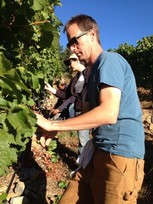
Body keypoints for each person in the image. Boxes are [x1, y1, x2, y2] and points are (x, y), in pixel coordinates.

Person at [35, 14, 145, 204]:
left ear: (92, 34)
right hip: (97, 152)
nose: (72, 48)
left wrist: (53, 125)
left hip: (119, 159)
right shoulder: (91, 73)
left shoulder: (109, 60)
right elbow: (86, 114)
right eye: (69, 44)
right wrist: (56, 129)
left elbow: (109, 113)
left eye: (75, 41)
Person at [45, 53, 90, 153]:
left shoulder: (90, 72)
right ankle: (82, 163)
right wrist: (51, 89)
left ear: (76, 60)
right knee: (82, 138)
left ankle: (86, 165)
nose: (69, 66)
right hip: (79, 110)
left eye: (70, 62)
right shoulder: (75, 78)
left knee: (89, 138)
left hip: (89, 110)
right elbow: (66, 95)